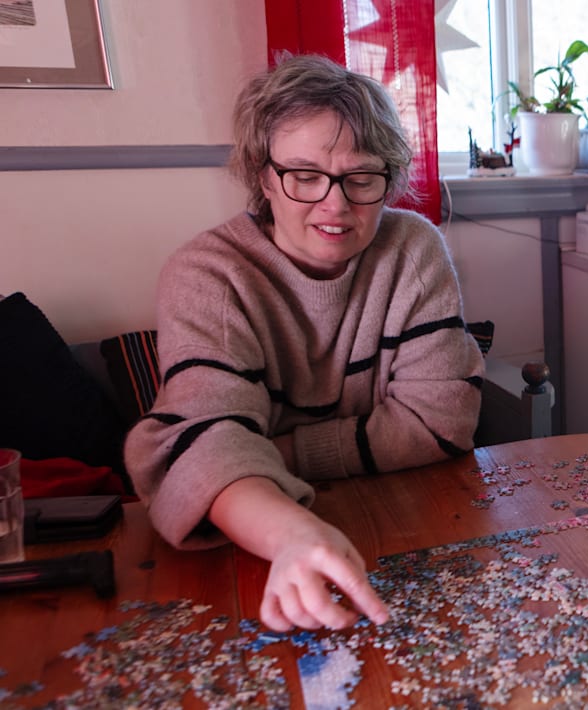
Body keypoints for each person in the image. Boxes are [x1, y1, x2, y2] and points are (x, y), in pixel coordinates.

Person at [125, 55, 484, 632]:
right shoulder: (207, 274)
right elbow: (200, 449)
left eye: (361, 177)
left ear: (389, 180)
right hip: (252, 549)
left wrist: (273, 455)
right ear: (264, 176)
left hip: (406, 522)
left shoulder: (413, 248)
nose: (335, 204)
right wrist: (289, 530)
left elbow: (439, 424)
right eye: (304, 175)